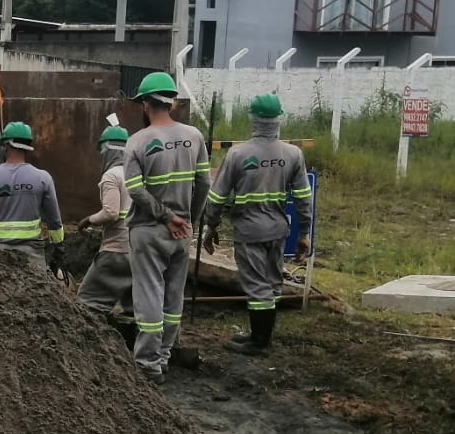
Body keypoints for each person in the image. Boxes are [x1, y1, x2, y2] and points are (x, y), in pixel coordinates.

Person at [201, 93, 313, 355]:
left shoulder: (238, 154)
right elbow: (303, 198)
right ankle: (261, 334)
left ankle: (260, 343)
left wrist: (210, 226)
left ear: (252, 119)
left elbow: (217, 196)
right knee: (272, 283)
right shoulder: (293, 154)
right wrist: (304, 233)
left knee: (257, 286)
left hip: (249, 231)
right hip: (277, 230)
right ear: (278, 120)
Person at [123, 72, 209, 383]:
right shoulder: (194, 136)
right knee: (174, 298)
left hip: (148, 231)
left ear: (145, 103)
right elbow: (204, 183)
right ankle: (164, 355)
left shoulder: (137, 141)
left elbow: (134, 190)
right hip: (181, 234)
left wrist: (164, 217)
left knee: (148, 295)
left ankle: (147, 365)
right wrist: (187, 220)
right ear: (170, 102)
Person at [0, 121, 64, 258]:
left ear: (5, 146)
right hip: (32, 254)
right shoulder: (43, 178)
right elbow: (54, 221)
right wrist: (58, 247)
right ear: (27, 148)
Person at [76, 124, 134, 321]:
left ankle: (90, 345)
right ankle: (129, 344)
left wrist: (88, 220)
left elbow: (111, 212)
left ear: (106, 150)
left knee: (87, 302)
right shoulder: (139, 174)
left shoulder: (111, 176)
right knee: (133, 306)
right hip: (140, 250)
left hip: (116, 250)